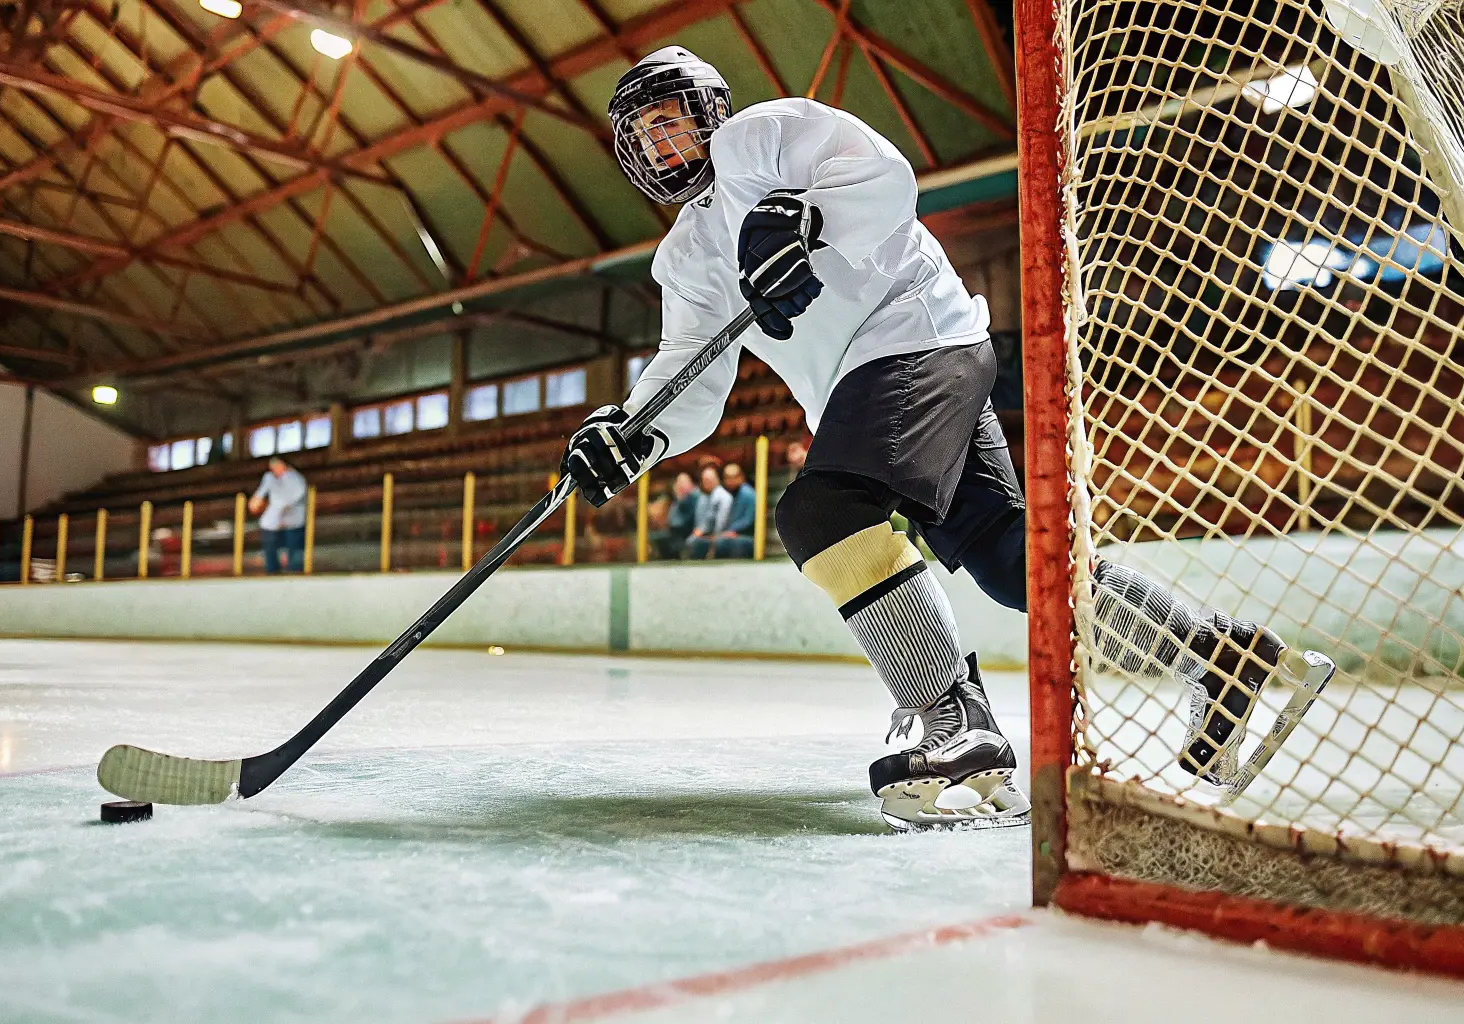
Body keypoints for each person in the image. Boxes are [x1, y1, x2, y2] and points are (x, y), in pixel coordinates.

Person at [560, 48, 1334, 830]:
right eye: (644, 134)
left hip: (916, 339)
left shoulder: (760, 137)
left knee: (823, 514)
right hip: (884, 383)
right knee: (1010, 560)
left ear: (707, 114)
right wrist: (628, 432)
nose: (663, 144)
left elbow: (885, 173)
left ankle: (958, 722)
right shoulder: (686, 258)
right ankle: (1221, 655)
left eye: (670, 120)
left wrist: (803, 215)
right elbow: (689, 374)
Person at [249, 457, 308, 574]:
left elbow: (295, 497)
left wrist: (284, 512)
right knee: (270, 547)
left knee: (294, 550)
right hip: (272, 522)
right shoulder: (270, 478)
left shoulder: (296, 479)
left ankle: (295, 572)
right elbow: (262, 492)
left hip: (293, 521)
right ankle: (272, 570)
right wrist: (256, 500)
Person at [683, 463, 731, 559]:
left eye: (709, 480)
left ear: (716, 479)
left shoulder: (723, 496)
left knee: (692, 542)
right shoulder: (703, 496)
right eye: (704, 480)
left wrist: (715, 536)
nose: (706, 483)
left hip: (715, 536)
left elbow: (721, 520)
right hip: (702, 533)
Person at [651, 471, 699, 559]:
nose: (681, 486)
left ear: (691, 484)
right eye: (679, 483)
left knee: (668, 540)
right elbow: (671, 519)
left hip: (687, 531)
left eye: (684, 483)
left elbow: (686, 520)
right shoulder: (678, 499)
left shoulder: (693, 498)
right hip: (675, 531)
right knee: (656, 537)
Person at [714, 463, 755, 558]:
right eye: (727, 477)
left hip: (745, 535)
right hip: (730, 533)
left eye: (734, 477)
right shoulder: (728, 494)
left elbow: (749, 519)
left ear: (741, 477)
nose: (730, 481)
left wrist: (733, 530)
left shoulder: (748, 494)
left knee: (723, 543)